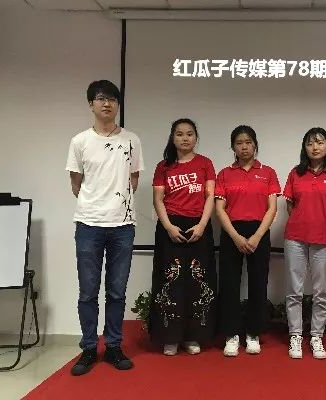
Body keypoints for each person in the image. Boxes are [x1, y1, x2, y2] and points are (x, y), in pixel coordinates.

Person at [66, 80, 144, 375]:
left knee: (117, 291)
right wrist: (97, 203)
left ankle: (113, 346)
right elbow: (76, 183)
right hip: (89, 224)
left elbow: (133, 179)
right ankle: (88, 348)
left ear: (118, 104)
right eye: (101, 98)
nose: (107, 103)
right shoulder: (80, 141)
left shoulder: (132, 140)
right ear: (91, 104)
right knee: (88, 291)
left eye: (112, 99)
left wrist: (115, 204)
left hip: (123, 225)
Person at [149, 118, 216, 356]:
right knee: (171, 282)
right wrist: (168, 226)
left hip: (199, 227)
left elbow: (210, 196)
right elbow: (158, 199)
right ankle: (170, 337)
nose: (185, 138)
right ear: (172, 137)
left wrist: (202, 225)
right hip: (171, 228)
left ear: (196, 137)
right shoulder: (163, 166)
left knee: (198, 281)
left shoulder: (205, 163)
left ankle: (193, 336)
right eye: (179, 134)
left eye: (189, 134)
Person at [215, 125, 281, 357]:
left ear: (255, 145)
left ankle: (253, 333)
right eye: (239, 143)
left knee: (258, 283)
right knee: (229, 284)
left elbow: (272, 208)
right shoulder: (224, 173)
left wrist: (257, 236)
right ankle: (231, 334)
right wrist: (235, 236)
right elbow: (219, 209)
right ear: (233, 147)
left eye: (248, 142)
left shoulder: (268, 172)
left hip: (259, 231)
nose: (244, 147)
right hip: (231, 231)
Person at [283, 127, 326, 360]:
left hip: (324, 241)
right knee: (294, 290)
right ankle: (295, 335)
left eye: (319, 142)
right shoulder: (295, 173)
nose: (315, 147)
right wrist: (301, 223)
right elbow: (290, 204)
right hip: (295, 239)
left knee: (321, 292)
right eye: (310, 143)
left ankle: (316, 336)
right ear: (304, 148)